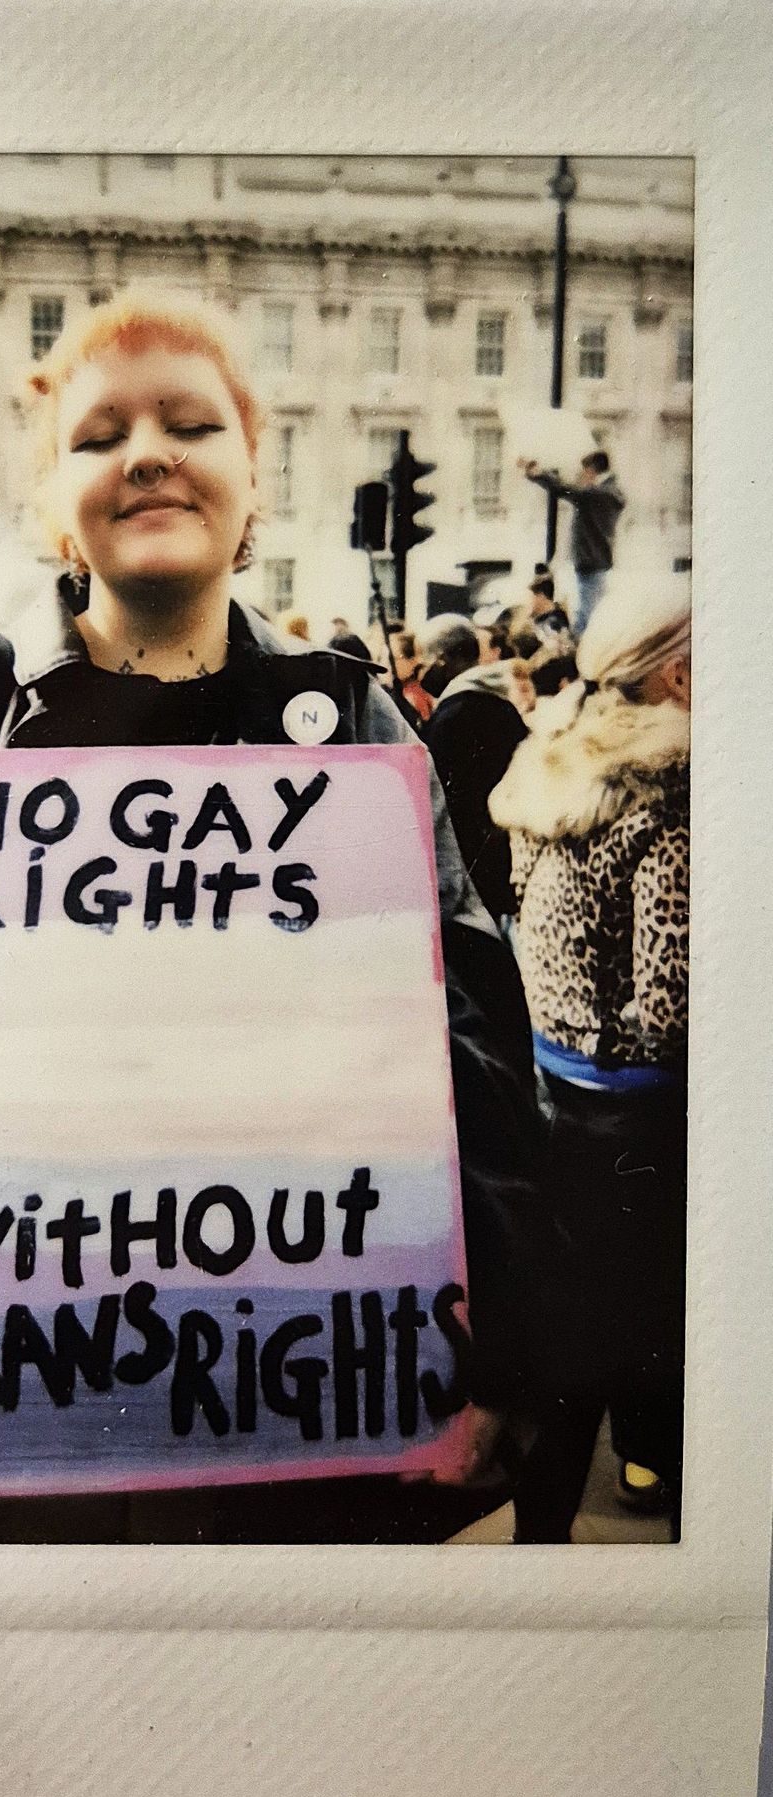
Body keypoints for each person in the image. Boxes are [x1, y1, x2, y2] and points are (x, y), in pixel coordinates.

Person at [0, 288, 548, 1543]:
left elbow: (473, 1050)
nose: (146, 453)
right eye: (98, 434)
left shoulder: (353, 722)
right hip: (33, 1441)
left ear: (252, 481)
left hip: (301, 1450)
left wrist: (498, 1353)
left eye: (190, 421)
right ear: (50, 504)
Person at [489, 584, 690, 1539]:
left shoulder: (554, 762)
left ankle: (552, 1520)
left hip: (553, 1090)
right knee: (634, 1330)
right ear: (682, 676)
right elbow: (668, 1000)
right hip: (642, 1117)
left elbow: (528, 922)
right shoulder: (672, 793)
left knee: (579, 1328)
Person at [422, 641, 531, 927]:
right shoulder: (502, 706)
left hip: (466, 857)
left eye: (427, 659)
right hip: (503, 851)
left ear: (444, 658)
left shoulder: (450, 715)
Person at [519, 451, 625, 638]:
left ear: (591, 470)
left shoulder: (596, 494)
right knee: (588, 614)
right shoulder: (609, 493)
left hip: (590, 562)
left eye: (584, 472)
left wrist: (536, 472)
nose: (581, 477)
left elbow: (563, 488)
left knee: (586, 619)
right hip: (595, 562)